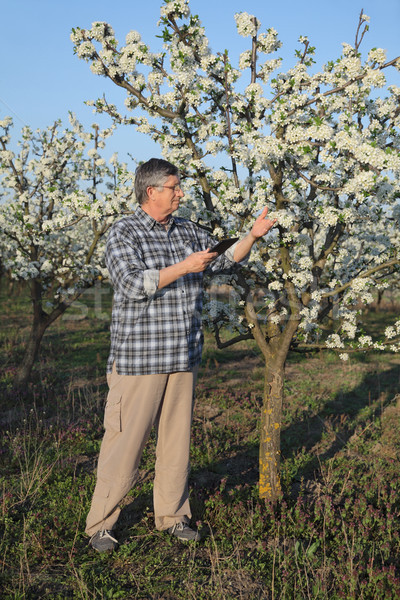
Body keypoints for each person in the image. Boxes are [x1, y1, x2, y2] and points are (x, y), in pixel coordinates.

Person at [86, 158, 276, 551]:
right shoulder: (125, 232)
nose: (181, 193)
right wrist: (185, 267)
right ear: (151, 191)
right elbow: (131, 282)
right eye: (174, 187)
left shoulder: (188, 230)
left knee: (176, 444)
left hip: (182, 354)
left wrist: (252, 236)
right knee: (125, 443)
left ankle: (172, 515)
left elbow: (223, 262)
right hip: (140, 358)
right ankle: (101, 523)